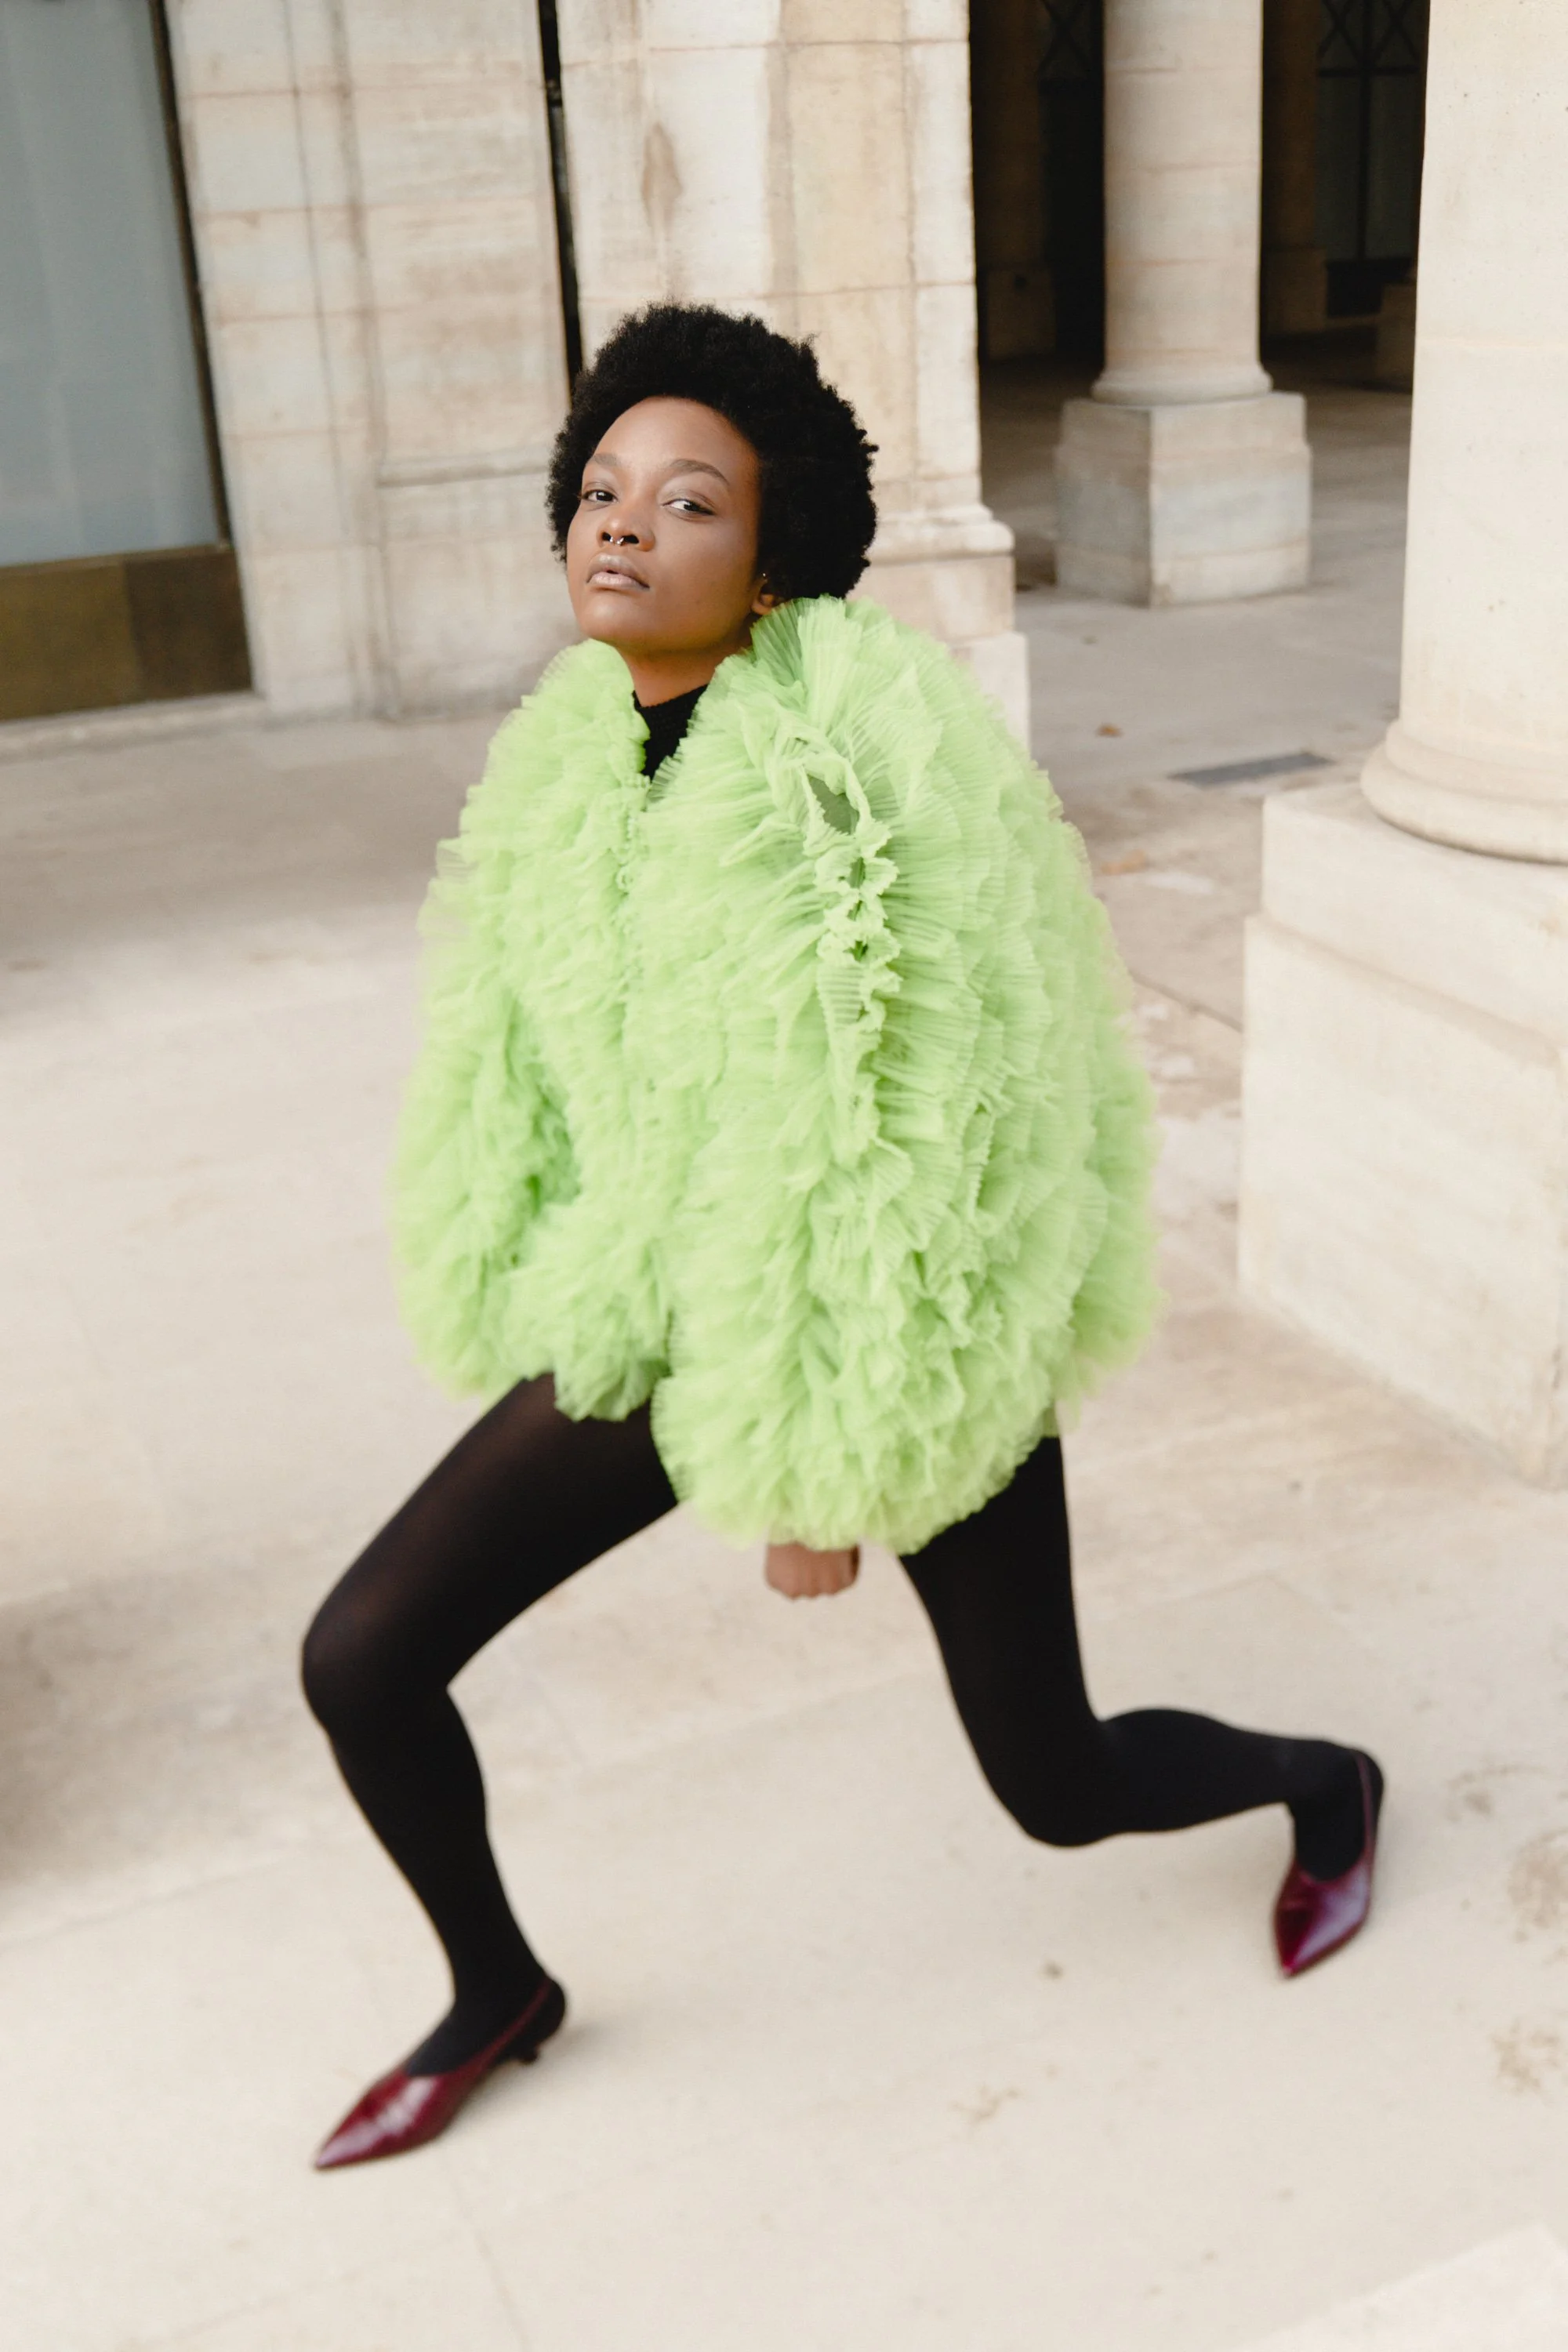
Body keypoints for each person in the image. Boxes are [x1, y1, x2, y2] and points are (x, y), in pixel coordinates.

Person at [302, 303, 1383, 2170]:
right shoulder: (574, 751)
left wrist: (822, 1461)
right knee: (363, 1657)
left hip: (912, 1323)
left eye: (688, 500)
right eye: (604, 487)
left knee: (1055, 1782)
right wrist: (538, 1264)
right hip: (668, 1287)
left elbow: (921, 1137)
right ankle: (496, 1991)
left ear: (773, 553)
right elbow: (529, 1057)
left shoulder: (860, 767)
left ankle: (1324, 1783)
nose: (621, 523)